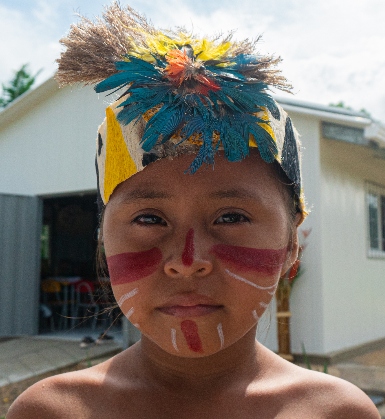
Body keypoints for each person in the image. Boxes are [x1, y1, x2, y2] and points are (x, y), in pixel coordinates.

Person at [7, 3, 380, 418]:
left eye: (231, 217)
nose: (188, 262)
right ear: (103, 239)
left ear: (291, 243)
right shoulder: (51, 412)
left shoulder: (339, 413)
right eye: (149, 218)